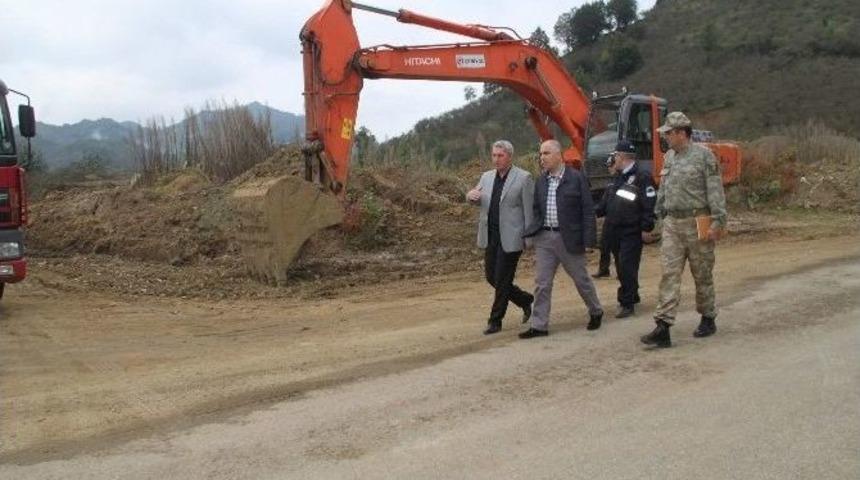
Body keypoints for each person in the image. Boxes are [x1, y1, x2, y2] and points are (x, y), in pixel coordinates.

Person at [641, 112, 727, 348]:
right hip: (672, 224)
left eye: (668, 133)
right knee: (669, 274)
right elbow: (664, 189)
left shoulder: (704, 156)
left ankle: (708, 316)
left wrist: (718, 221)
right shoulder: (669, 157)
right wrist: (658, 217)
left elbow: (715, 191)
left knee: (702, 273)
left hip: (698, 221)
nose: (665, 137)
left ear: (681, 133)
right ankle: (663, 325)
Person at [519, 139, 603, 339]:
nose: (542, 158)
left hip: (570, 237)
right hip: (545, 239)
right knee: (542, 283)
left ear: (559, 155)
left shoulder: (576, 178)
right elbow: (537, 209)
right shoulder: (541, 181)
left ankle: (596, 311)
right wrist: (533, 232)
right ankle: (539, 325)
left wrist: (589, 240)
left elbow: (587, 211)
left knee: (581, 279)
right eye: (541, 154)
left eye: (546, 153)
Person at [466, 140, 536, 335]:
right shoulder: (486, 177)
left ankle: (495, 320)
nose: (496, 159)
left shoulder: (524, 178)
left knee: (503, 279)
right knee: (492, 277)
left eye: (500, 156)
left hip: (512, 237)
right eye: (494, 155)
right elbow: (475, 197)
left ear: (510, 157)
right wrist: (470, 196)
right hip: (490, 235)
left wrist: (529, 238)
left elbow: (529, 211)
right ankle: (525, 299)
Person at [595, 140, 657, 319]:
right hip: (615, 230)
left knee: (627, 266)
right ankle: (633, 294)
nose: (614, 159)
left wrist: (647, 227)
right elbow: (608, 204)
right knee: (621, 267)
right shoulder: (618, 177)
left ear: (621, 156)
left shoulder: (642, 176)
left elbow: (649, 203)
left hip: (631, 230)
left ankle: (626, 302)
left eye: (615, 155)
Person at [593, 154, 619, 279]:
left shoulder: (624, 182)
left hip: (620, 220)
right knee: (604, 245)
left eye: (611, 165)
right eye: (608, 166)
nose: (609, 168)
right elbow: (603, 205)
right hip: (609, 220)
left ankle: (622, 270)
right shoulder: (610, 185)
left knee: (617, 248)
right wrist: (594, 212)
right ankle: (603, 270)